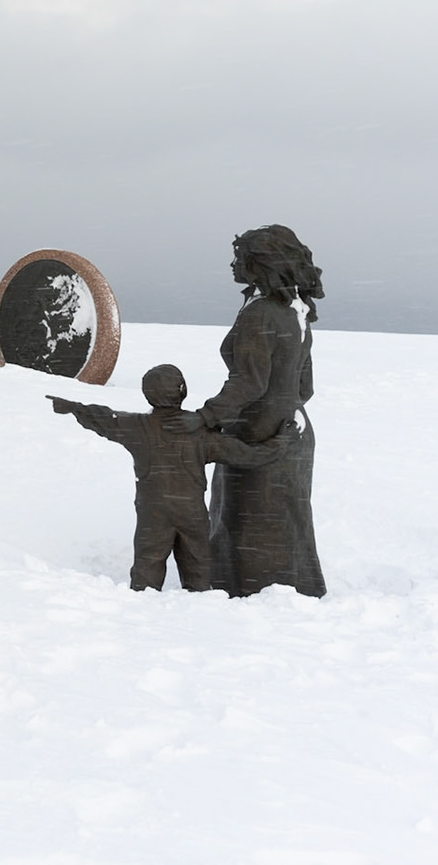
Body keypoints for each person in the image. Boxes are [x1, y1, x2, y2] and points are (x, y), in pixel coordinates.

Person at [168, 225, 327, 597]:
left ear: (261, 264)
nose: (233, 263)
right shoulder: (295, 311)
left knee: (245, 522)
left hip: (258, 435)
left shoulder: (261, 315)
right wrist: (287, 410)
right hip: (292, 432)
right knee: (285, 521)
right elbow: (306, 386)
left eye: (240, 257)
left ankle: (246, 592)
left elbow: (249, 384)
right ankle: (291, 589)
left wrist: (205, 418)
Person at [50, 364, 290, 591]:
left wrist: (74, 408)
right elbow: (249, 456)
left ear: (148, 395)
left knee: (147, 565)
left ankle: (141, 605)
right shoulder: (200, 434)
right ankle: (200, 605)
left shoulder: (135, 426)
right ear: (182, 391)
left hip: (152, 512)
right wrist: (281, 442)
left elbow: (106, 418)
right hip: (190, 512)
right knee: (198, 568)